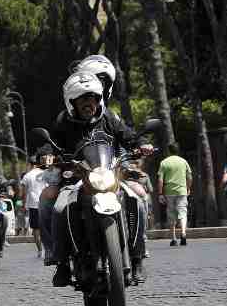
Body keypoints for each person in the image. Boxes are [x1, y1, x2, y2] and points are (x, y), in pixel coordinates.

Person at [49, 71, 153, 286]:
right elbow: (50, 144)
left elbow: (129, 136)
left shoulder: (108, 119)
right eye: (83, 99)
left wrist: (141, 144)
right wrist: (45, 154)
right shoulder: (63, 122)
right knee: (60, 208)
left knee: (138, 203)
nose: (89, 103)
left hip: (109, 174)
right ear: (72, 102)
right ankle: (62, 264)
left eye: (93, 98)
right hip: (77, 179)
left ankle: (137, 257)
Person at [157, 143, 193, 247]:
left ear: (169, 151)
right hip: (182, 190)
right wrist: (188, 188)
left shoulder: (164, 163)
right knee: (183, 212)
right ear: (178, 151)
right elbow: (190, 177)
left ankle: (173, 238)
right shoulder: (183, 161)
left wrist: (160, 193)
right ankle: (183, 233)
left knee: (171, 214)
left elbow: (160, 179)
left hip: (169, 192)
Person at [20, 147, 50, 257]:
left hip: (33, 205)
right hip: (46, 203)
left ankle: (39, 250)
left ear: (30, 164)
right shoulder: (46, 173)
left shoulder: (27, 176)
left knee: (36, 229)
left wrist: (23, 206)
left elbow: (23, 193)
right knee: (47, 227)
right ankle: (49, 248)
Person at [35, 146, 61, 264]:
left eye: (46, 157)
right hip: (55, 192)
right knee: (44, 204)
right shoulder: (46, 173)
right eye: (42, 158)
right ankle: (50, 250)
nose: (44, 160)